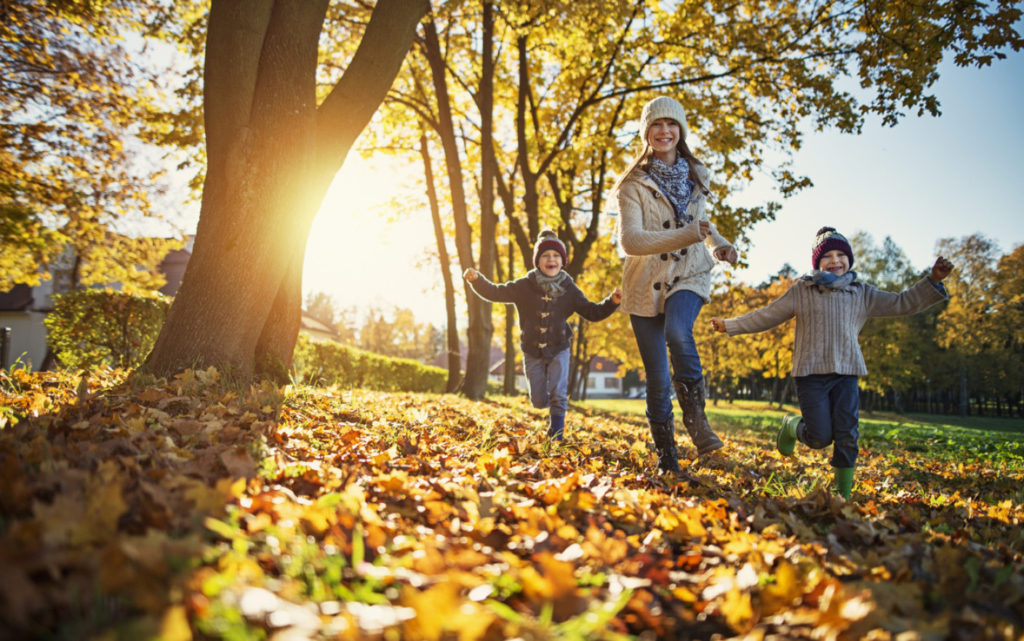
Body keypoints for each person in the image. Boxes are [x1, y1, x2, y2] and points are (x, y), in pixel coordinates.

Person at [710, 226, 954, 499]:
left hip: (846, 373)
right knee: (819, 437)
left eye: (841, 255)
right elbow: (767, 315)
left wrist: (933, 280)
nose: (835, 260)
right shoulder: (803, 290)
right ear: (817, 262)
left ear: (849, 259)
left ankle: (841, 496)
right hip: (810, 375)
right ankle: (791, 425)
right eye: (827, 256)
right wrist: (730, 325)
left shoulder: (861, 293)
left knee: (847, 435)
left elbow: (901, 302)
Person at [613, 95, 738, 474]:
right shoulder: (631, 185)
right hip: (645, 283)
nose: (664, 131)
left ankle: (697, 423)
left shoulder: (697, 174)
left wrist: (719, 245)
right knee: (657, 377)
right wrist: (689, 234)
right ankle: (667, 456)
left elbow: (702, 224)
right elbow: (630, 242)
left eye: (671, 124)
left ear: (680, 130)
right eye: (656, 124)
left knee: (678, 332)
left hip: (689, 273)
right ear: (646, 132)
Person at [464, 230, 622, 440]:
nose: (551, 259)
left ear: (562, 262)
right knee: (538, 401)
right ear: (538, 261)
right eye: (546, 255)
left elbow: (592, 312)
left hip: (559, 348)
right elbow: (496, 292)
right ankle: (550, 406)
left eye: (556, 256)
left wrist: (611, 302)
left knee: (558, 392)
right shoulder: (524, 285)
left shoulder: (569, 289)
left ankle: (556, 434)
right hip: (532, 350)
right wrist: (477, 280)